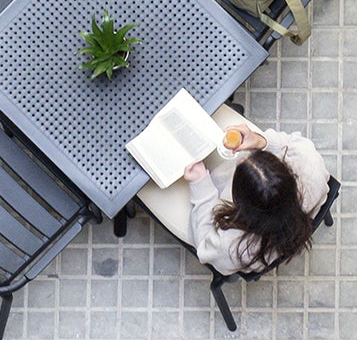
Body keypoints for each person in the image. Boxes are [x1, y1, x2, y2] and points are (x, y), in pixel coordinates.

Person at [138, 105, 329, 276]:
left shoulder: (231, 248)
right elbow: (293, 142)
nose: (240, 157)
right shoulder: (311, 169)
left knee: (144, 184)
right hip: (285, 222)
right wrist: (261, 141)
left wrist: (200, 183)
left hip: (210, 223)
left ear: (240, 203)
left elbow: (205, 242)